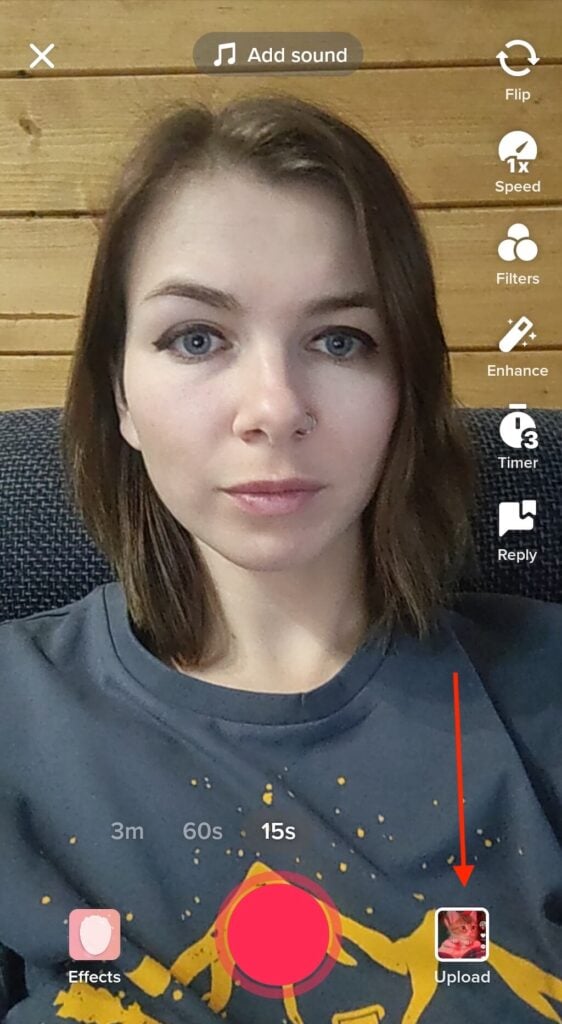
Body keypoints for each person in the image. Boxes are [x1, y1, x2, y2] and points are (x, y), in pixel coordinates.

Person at [0, 94, 561, 1024]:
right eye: (197, 338)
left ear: (406, 389)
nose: (274, 407)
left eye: (340, 341)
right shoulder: (15, 715)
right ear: (121, 396)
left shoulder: (543, 692)